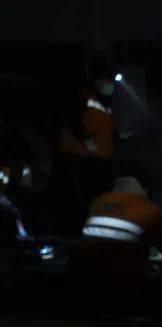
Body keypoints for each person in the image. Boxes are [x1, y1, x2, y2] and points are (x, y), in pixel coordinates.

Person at [71, 172, 162, 313]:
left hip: (81, 281)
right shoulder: (146, 210)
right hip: (119, 286)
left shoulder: (98, 202)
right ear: (144, 188)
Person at [54, 61, 116, 236]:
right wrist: (85, 140)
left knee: (96, 201)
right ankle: (77, 236)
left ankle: (96, 233)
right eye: (107, 81)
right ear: (97, 81)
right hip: (79, 159)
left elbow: (103, 130)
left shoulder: (102, 103)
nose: (110, 85)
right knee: (79, 202)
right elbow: (71, 118)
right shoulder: (82, 96)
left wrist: (120, 135)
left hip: (98, 160)